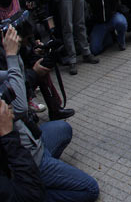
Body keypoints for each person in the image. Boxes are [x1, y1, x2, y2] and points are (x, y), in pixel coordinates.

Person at [1, 25, 100, 201]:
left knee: (63, 128)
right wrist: (11, 55)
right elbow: (21, 106)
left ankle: (41, 178)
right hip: (24, 159)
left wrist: (29, 52)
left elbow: (14, 78)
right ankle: (34, 188)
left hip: (33, 142)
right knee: (90, 189)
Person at [0, 98, 47, 200]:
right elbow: (33, 196)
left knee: (62, 129)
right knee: (89, 188)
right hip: (29, 160)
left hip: (31, 148)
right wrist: (7, 135)